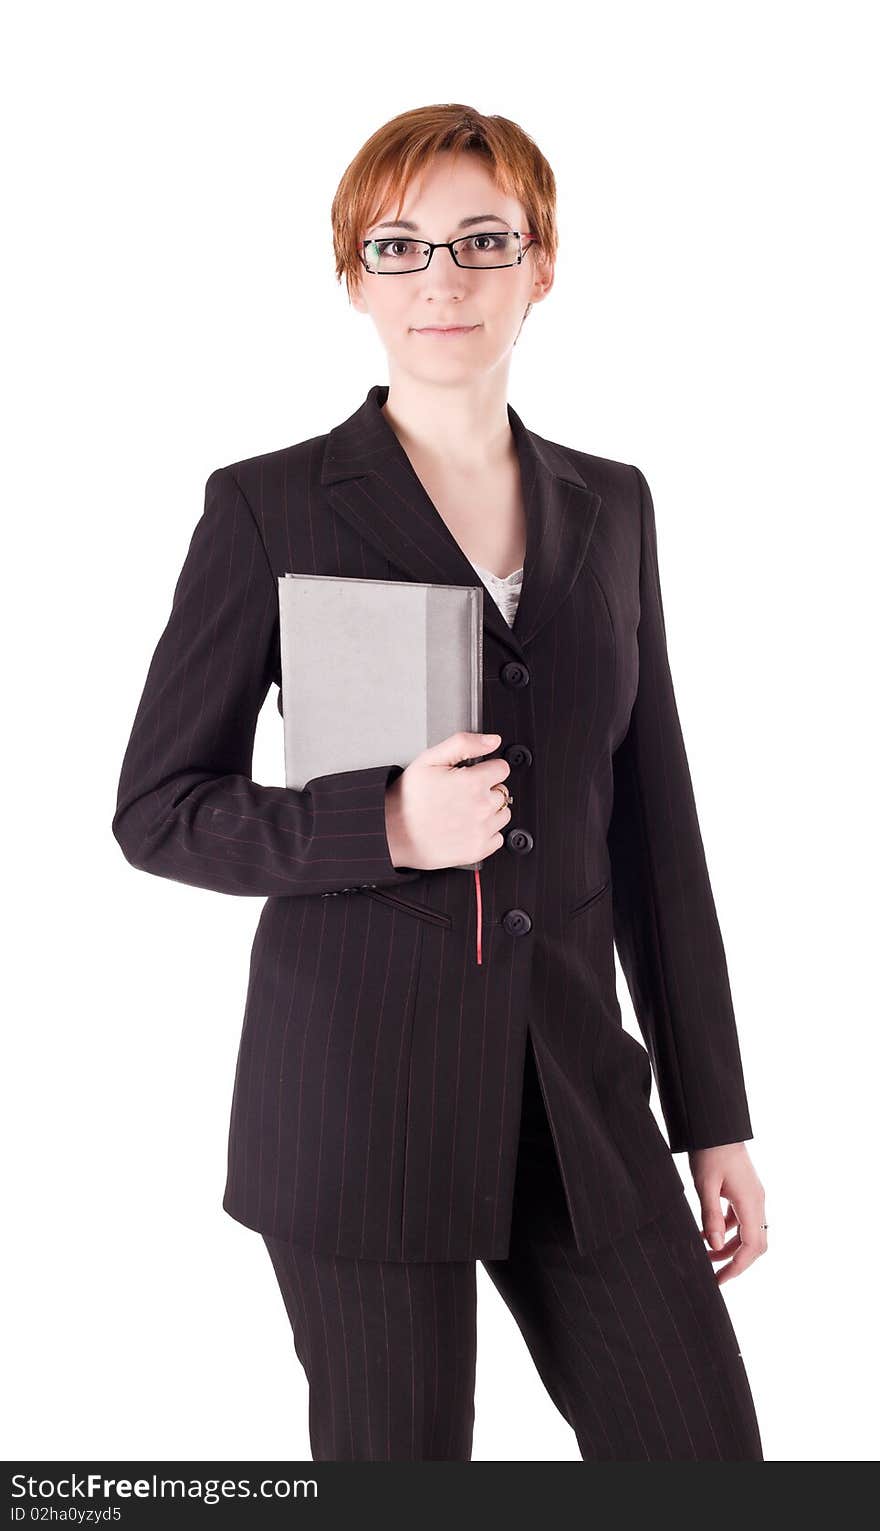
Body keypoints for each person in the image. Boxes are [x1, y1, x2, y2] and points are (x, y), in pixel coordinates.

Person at [112, 103, 767, 1461]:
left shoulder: (614, 507)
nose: (444, 278)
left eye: (483, 239)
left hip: (582, 1111)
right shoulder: (268, 507)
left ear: (543, 265)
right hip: (359, 1112)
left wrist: (715, 1122)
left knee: (706, 1462)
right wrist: (385, 823)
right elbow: (158, 805)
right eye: (400, 246)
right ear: (354, 276)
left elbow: (659, 838)